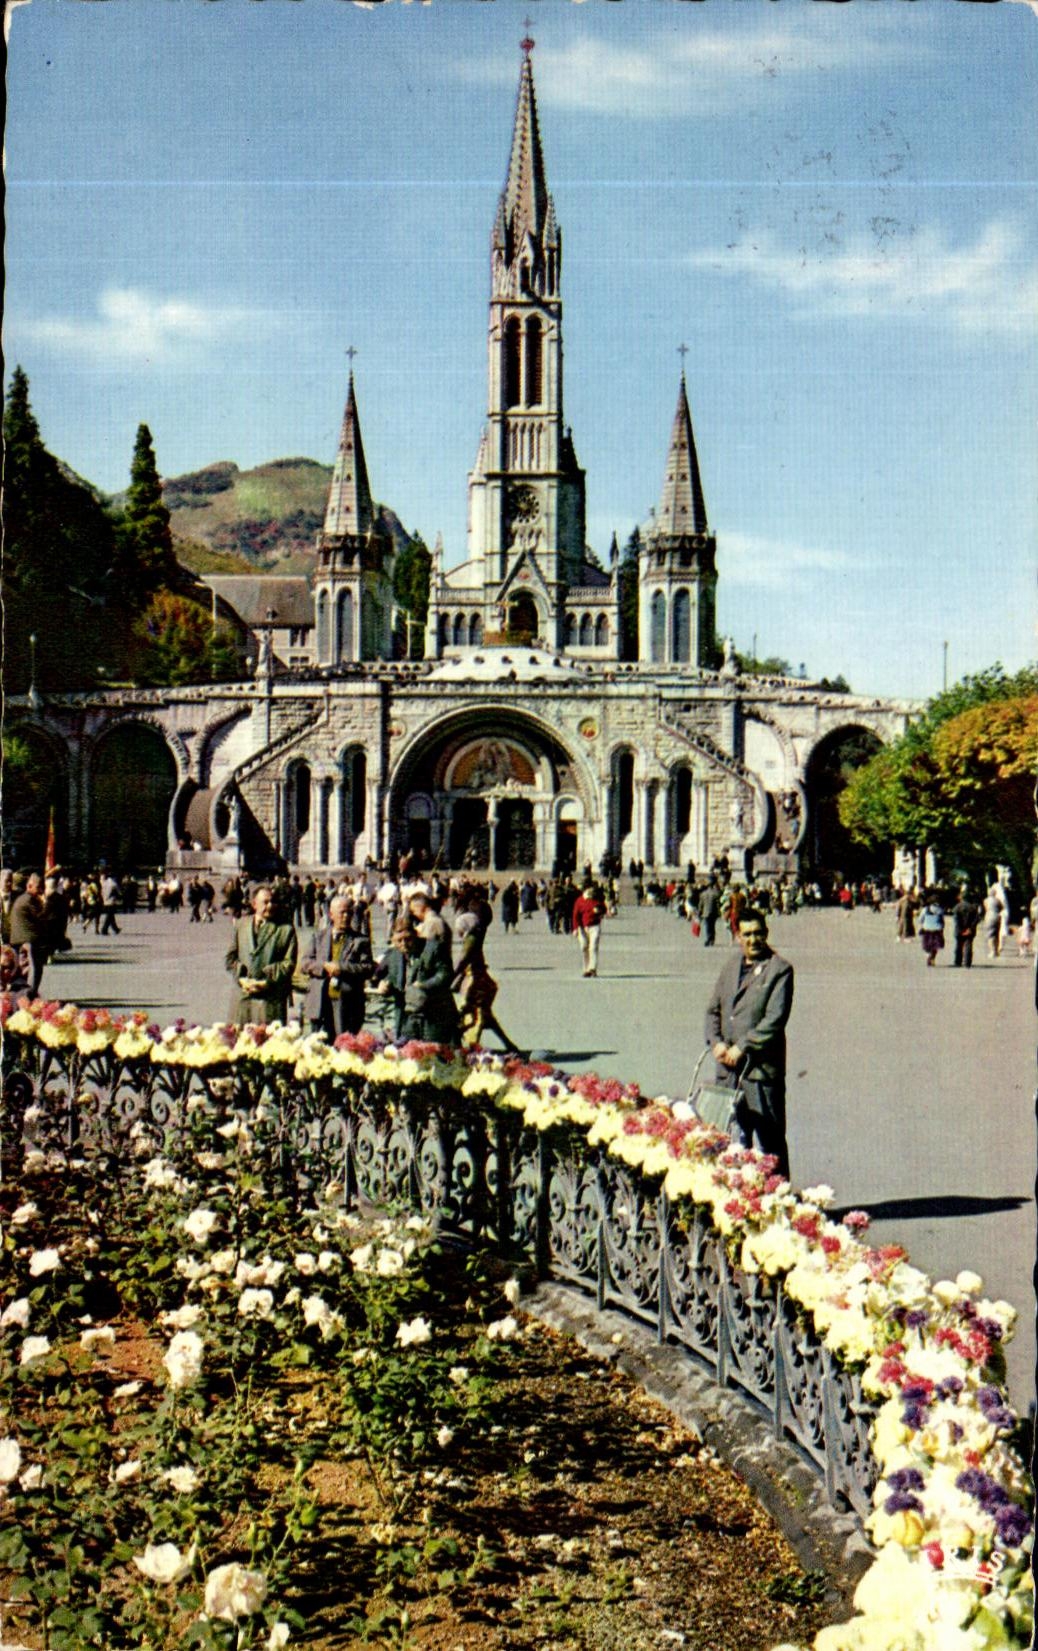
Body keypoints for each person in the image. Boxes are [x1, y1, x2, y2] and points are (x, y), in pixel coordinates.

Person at [704, 907, 794, 1177]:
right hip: (728, 1070)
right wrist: (716, 1043)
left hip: (760, 1072)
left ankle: (779, 1201)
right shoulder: (731, 965)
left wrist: (742, 1046)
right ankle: (739, 1203)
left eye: (758, 933)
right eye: (747, 935)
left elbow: (774, 1020)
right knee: (732, 1139)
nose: (753, 940)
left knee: (770, 1144)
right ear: (737, 937)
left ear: (766, 934)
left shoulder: (780, 970)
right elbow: (713, 1010)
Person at [299, 895, 374, 1039]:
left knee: (344, 1044)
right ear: (331, 914)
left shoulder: (361, 940)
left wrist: (342, 968)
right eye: (342, 912)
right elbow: (305, 963)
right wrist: (324, 966)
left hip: (347, 1003)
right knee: (318, 1044)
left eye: (349, 912)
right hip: (320, 1002)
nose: (346, 916)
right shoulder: (318, 937)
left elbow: (368, 968)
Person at [225, 884, 298, 1025]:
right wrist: (241, 979)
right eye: (266, 902)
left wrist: (266, 982)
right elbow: (230, 958)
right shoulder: (241, 925)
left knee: (268, 1044)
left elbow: (289, 963)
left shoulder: (285, 929)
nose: (270, 906)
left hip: (270, 1001)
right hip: (243, 999)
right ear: (254, 904)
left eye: (273, 902)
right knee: (240, 1042)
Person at [8, 871, 49, 995]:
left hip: (20, 939)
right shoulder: (29, 900)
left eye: (42, 887)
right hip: (28, 939)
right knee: (34, 968)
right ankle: (30, 993)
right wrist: (45, 902)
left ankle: (25, 992)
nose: (41, 890)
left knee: (24, 969)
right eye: (39, 887)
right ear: (29, 886)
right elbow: (43, 917)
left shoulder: (23, 898)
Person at [571, 880, 605, 977]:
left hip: (595, 926)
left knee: (593, 947)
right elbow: (575, 915)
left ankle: (592, 968)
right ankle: (586, 968)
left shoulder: (597, 899)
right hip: (582, 927)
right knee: (584, 947)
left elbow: (604, 909)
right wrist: (575, 928)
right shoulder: (580, 900)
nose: (591, 891)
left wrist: (599, 910)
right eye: (589, 889)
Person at [951, 888, 979, 969]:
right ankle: (967, 962)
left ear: (961, 897)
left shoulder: (957, 907)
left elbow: (956, 919)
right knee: (968, 945)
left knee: (958, 945)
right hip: (970, 930)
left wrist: (960, 929)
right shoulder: (973, 908)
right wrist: (970, 928)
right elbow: (976, 919)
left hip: (959, 929)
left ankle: (958, 961)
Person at [918, 894, 945, 967]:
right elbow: (942, 921)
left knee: (926, 945)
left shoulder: (925, 909)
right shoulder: (940, 910)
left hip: (927, 929)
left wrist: (923, 924)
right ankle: (932, 957)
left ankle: (928, 955)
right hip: (937, 929)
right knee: (935, 946)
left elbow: (920, 919)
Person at [697, 879, 720, 947]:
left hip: (705, 912)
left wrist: (699, 913)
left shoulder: (703, 894)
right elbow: (718, 904)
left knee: (707, 926)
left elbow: (700, 904)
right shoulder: (715, 893)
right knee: (712, 926)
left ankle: (708, 938)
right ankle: (712, 939)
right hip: (713, 912)